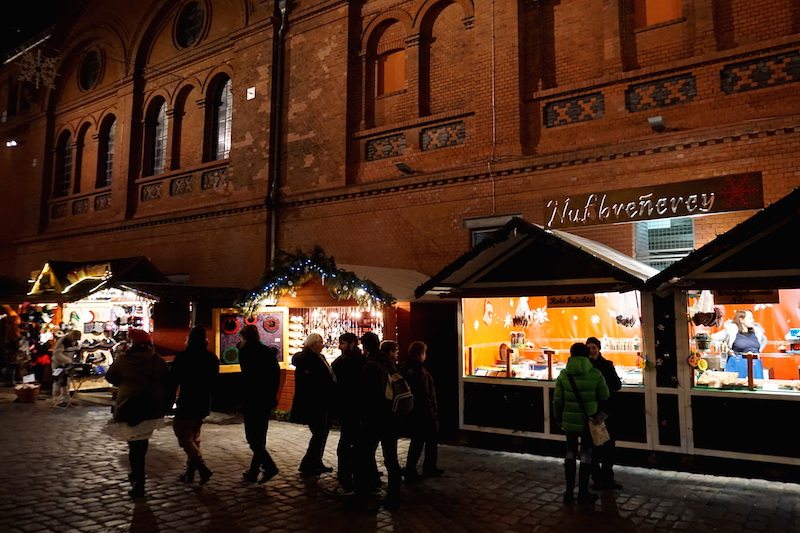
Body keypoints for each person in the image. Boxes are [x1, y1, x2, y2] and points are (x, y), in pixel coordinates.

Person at [105, 329, 169, 498]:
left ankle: (138, 481)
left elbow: (110, 377)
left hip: (129, 406)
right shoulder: (157, 360)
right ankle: (137, 477)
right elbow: (166, 380)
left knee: (134, 447)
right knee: (142, 445)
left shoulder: (123, 360)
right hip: (151, 408)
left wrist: (127, 382)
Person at [553, 342, 609, 505]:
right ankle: (583, 493)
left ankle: (569, 492)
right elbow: (604, 396)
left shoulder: (564, 374)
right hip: (588, 421)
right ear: (586, 355)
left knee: (570, 453)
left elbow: (557, 399)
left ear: (571, 355)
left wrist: (558, 417)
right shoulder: (596, 374)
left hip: (569, 422)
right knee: (586, 454)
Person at [352, 334, 403, 510]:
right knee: (391, 459)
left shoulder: (370, 366)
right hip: (391, 417)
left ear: (365, 347)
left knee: (363, 456)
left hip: (374, 418)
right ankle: (394, 496)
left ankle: (362, 496)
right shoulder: (389, 363)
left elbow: (368, 396)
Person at [170, 325, 220, 485]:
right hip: (203, 401)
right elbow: (214, 382)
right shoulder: (211, 358)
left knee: (183, 436)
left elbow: (173, 381)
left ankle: (202, 468)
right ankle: (190, 473)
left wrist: (169, 400)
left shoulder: (183, 357)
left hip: (187, 400)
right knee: (194, 436)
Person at [238, 324, 281, 484]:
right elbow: (275, 376)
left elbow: (246, 377)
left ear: (244, 338)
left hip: (252, 400)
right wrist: (272, 396)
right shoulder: (268, 353)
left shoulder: (245, 352)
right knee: (260, 437)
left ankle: (270, 467)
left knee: (252, 438)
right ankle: (253, 471)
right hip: (265, 400)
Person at [291, 332, 337, 475]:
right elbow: (312, 382)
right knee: (319, 433)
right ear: (313, 344)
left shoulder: (319, 357)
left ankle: (316, 462)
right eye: (320, 343)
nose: (322, 345)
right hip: (315, 402)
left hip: (323, 402)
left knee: (321, 434)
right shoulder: (306, 359)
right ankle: (308, 464)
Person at [399, 341, 443, 484]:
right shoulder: (418, 370)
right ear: (420, 354)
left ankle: (422, 468)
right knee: (423, 441)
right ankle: (417, 470)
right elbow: (425, 394)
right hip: (422, 412)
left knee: (420, 441)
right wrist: (432, 412)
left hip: (413, 411)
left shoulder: (406, 368)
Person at [585, 336, 622, 490]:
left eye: (594, 347)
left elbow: (616, 384)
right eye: (589, 348)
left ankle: (607, 477)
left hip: (605, 411)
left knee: (608, 445)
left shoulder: (606, 365)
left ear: (599, 348)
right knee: (594, 446)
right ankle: (597, 477)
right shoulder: (585, 367)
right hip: (593, 411)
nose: (592, 350)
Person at [331, 332, 364, 495]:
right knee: (353, 442)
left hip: (350, 407)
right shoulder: (361, 360)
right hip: (353, 408)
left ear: (352, 344)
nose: (339, 346)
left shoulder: (345, 362)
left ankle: (346, 479)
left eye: (342, 343)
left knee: (346, 444)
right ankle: (355, 477)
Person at [713, 310, 768, 378]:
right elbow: (712, 338)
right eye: (750, 318)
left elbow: (763, 343)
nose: (753, 320)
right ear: (741, 319)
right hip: (737, 365)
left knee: (756, 386)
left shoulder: (757, 332)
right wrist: (725, 349)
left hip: (755, 366)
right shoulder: (731, 331)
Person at [51, 330, 81, 407]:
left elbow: (76, 351)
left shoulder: (75, 342)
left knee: (66, 382)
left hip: (68, 364)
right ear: (71, 335)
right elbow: (56, 353)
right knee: (58, 381)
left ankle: (65, 399)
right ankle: (57, 400)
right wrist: (68, 360)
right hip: (58, 363)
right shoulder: (63, 340)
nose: (75, 340)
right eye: (74, 338)